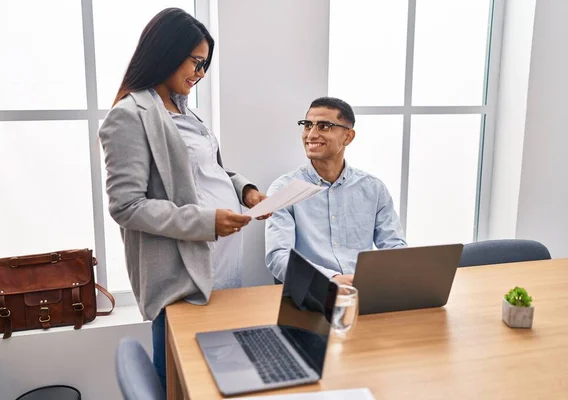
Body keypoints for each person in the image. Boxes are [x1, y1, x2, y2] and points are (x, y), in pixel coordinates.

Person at [98, 8, 269, 391]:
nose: (201, 74)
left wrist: (245, 190)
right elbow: (125, 206)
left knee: (222, 382)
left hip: (223, 271)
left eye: (206, 65)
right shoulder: (129, 116)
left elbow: (210, 169)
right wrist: (207, 222)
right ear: (166, 50)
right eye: (196, 61)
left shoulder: (184, 110)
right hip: (182, 279)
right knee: (183, 385)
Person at [265, 97, 406, 286]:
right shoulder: (283, 189)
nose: (311, 134)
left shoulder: (373, 189)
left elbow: (394, 247)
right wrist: (331, 280)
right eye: (307, 125)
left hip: (362, 290)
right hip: (313, 293)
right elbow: (279, 257)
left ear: (348, 137)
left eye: (324, 126)